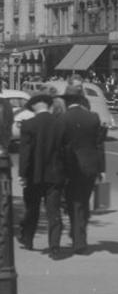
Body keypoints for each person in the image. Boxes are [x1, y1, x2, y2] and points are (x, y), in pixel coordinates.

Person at [17, 94, 66, 259]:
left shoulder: (29, 124)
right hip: (55, 174)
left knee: (32, 209)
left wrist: (22, 174)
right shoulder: (60, 124)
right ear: (48, 105)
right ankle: (54, 247)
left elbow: (25, 153)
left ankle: (28, 240)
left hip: (33, 175)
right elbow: (65, 151)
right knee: (54, 212)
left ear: (34, 107)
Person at [60, 84, 106, 255]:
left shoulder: (63, 119)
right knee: (83, 201)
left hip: (70, 167)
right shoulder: (93, 117)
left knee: (74, 202)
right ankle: (79, 234)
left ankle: (79, 240)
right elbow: (99, 145)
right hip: (89, 167)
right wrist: (101, 169)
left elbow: (60, 146)